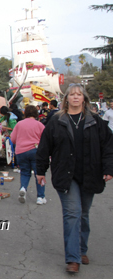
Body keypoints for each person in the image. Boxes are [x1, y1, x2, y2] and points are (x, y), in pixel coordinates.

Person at [36, 84, 113, 274]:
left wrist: (108, 168)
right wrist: (40, 170)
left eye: (79, 94)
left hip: (90, 174)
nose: (76, 97)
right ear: (67, 99)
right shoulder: (56, 121)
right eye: (72, 94)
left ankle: (81, 249)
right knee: (72, 214)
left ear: (84, 99)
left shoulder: (96, 121)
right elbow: (44, 147)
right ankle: (73, 258)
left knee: (84, 214)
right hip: (65, 175)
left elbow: (108, 147)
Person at [10, 105, 46, 204]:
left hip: (21, 151)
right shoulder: (39, 125)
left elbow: (13, 139)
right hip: (35, 151)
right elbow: (45, 139)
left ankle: (23, 188)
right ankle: (40, 197)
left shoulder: (19, 124)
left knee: (25, 172)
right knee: (39, 173)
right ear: (36, 114)